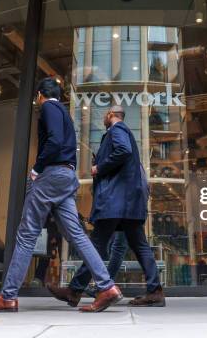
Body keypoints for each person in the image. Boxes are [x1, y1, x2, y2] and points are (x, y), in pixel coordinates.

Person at [0, 77, 122, 312]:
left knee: (27, 235)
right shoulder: (64, 114)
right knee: (78, 236)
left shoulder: (49, 107)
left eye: (37, 97)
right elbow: (64, 143)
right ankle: (107, 287)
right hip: (66, 177)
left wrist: (36, 168)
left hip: (50, 176)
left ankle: (8, 296)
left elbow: (53, 141)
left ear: (40, 94)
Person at [48, 105, 165, 307]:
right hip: (127, 202)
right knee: (138, 245)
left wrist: (99, 167)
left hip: (116, 201)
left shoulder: (117, 129)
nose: (104, 118)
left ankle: (74, 291)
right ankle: (155, 291)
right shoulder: (123, 131)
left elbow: (123, 150)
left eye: (105, 115)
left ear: (111, 115)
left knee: (96, 244)